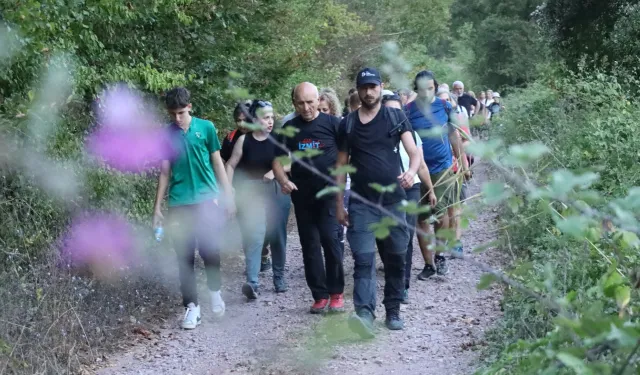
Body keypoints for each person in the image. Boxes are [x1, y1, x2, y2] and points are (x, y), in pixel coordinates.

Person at [335, 67, 421, 337]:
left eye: (373, 87)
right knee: (363, 259)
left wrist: (410, 171)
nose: (369, 92)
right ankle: (364, 314)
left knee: (396, 257)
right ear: (358, 90)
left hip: (394, 201)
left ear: (381, 87)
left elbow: (413, 152)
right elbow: (340, 167)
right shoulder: (347, 124)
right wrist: (339, 204)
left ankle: (393, 310)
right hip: (361, 203)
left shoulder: (395, 116)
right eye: (364, 87)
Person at [152, 87, 236, 329]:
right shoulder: (166, 135)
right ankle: (192, 307)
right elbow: (164, 171)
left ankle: (214, 291)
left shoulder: (206, 128)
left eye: (180, 112)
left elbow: (218, 162)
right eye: (172, 114)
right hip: (179, 201)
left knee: (210, 250)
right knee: (184, 256)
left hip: (208, 198)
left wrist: (228, 194)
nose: (177, 118)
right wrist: (157, 207)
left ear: (189, 107)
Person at [272, 82, 346, 315]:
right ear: (294, 103)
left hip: (329, 194)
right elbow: (276, 159)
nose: (306, 108)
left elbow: (347, 157)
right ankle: (319, 295)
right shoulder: (289, 129)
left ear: (318, 100)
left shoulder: (334, 125)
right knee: (310, 246)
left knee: (331, 242)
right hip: (302, 196)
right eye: (301, 103)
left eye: (310, 102)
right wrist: (283, 180)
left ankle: (336, 293)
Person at [406, 71, 469, 280]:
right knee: (421, 218)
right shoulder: (408, 112)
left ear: (435, 87)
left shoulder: (444, 107)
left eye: (430, 88)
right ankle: (428, 264)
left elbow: (454, 136)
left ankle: (440, 254)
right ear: (416, 89)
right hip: (417, 169)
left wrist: (463, 162)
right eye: (422, 88)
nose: (426, 92)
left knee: (441, 215)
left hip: (442, 168)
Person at [225, 100, 290, 299]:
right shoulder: (244, 141)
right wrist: (228, 192)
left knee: (277, 235)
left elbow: (289, 163)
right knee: (254, 235)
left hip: (275, 188)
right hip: (252, 191)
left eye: (272, 117)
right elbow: (230, 165)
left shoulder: (278, 138)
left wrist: (273, 173)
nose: (270, 122)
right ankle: (252, 283)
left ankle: (279, 277)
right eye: (265, 118)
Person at [381, 91, 437, 303]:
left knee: (405, 234)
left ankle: (402, 285)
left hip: (410, 188)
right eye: (389, 110)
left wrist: (430, 189)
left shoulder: (412, 134)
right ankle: (392, 275)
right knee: (386, 237)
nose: (393, 114)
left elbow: (421, 165)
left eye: (397, 110)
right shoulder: (376, 135)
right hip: (385, 191)